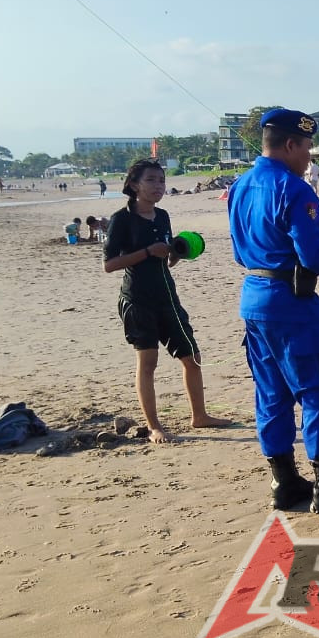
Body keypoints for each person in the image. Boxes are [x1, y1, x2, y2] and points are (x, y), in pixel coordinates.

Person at [228, 108, 319, 516]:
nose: (309, 156)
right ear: (291, 144)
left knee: (271, 394)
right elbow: (311, 254)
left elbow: (238, 249)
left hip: (253, 298)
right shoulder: (294, 189)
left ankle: (284, 481)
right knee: (316, 389)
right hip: (290, 302)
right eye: (307, 147)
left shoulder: (240, 185)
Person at [103, 158, 233, 444]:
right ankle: (154, 427)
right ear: (134, 185)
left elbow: (166, 253)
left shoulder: (162, 216)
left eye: (161, 181)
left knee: (192, 358)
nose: (158, 186)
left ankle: (199, 416)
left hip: (168, 298)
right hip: (137, 299)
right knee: (148, 362)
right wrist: (148, 251)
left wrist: (175, 252)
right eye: (150, 180)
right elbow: (110, 264)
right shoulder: (121, 219)